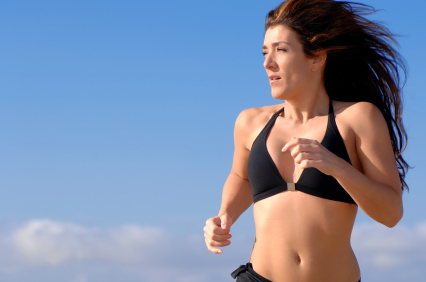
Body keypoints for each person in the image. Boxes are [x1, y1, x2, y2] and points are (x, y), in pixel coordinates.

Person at [203, 0, 409, 281]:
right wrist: (224, 216)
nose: (267, 63)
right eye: (265, 52)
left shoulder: (357, 118)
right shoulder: (250, 122)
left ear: (316, 58)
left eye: (281, 50)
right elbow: (241, 177)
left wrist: (337, 167)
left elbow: (391, 213)